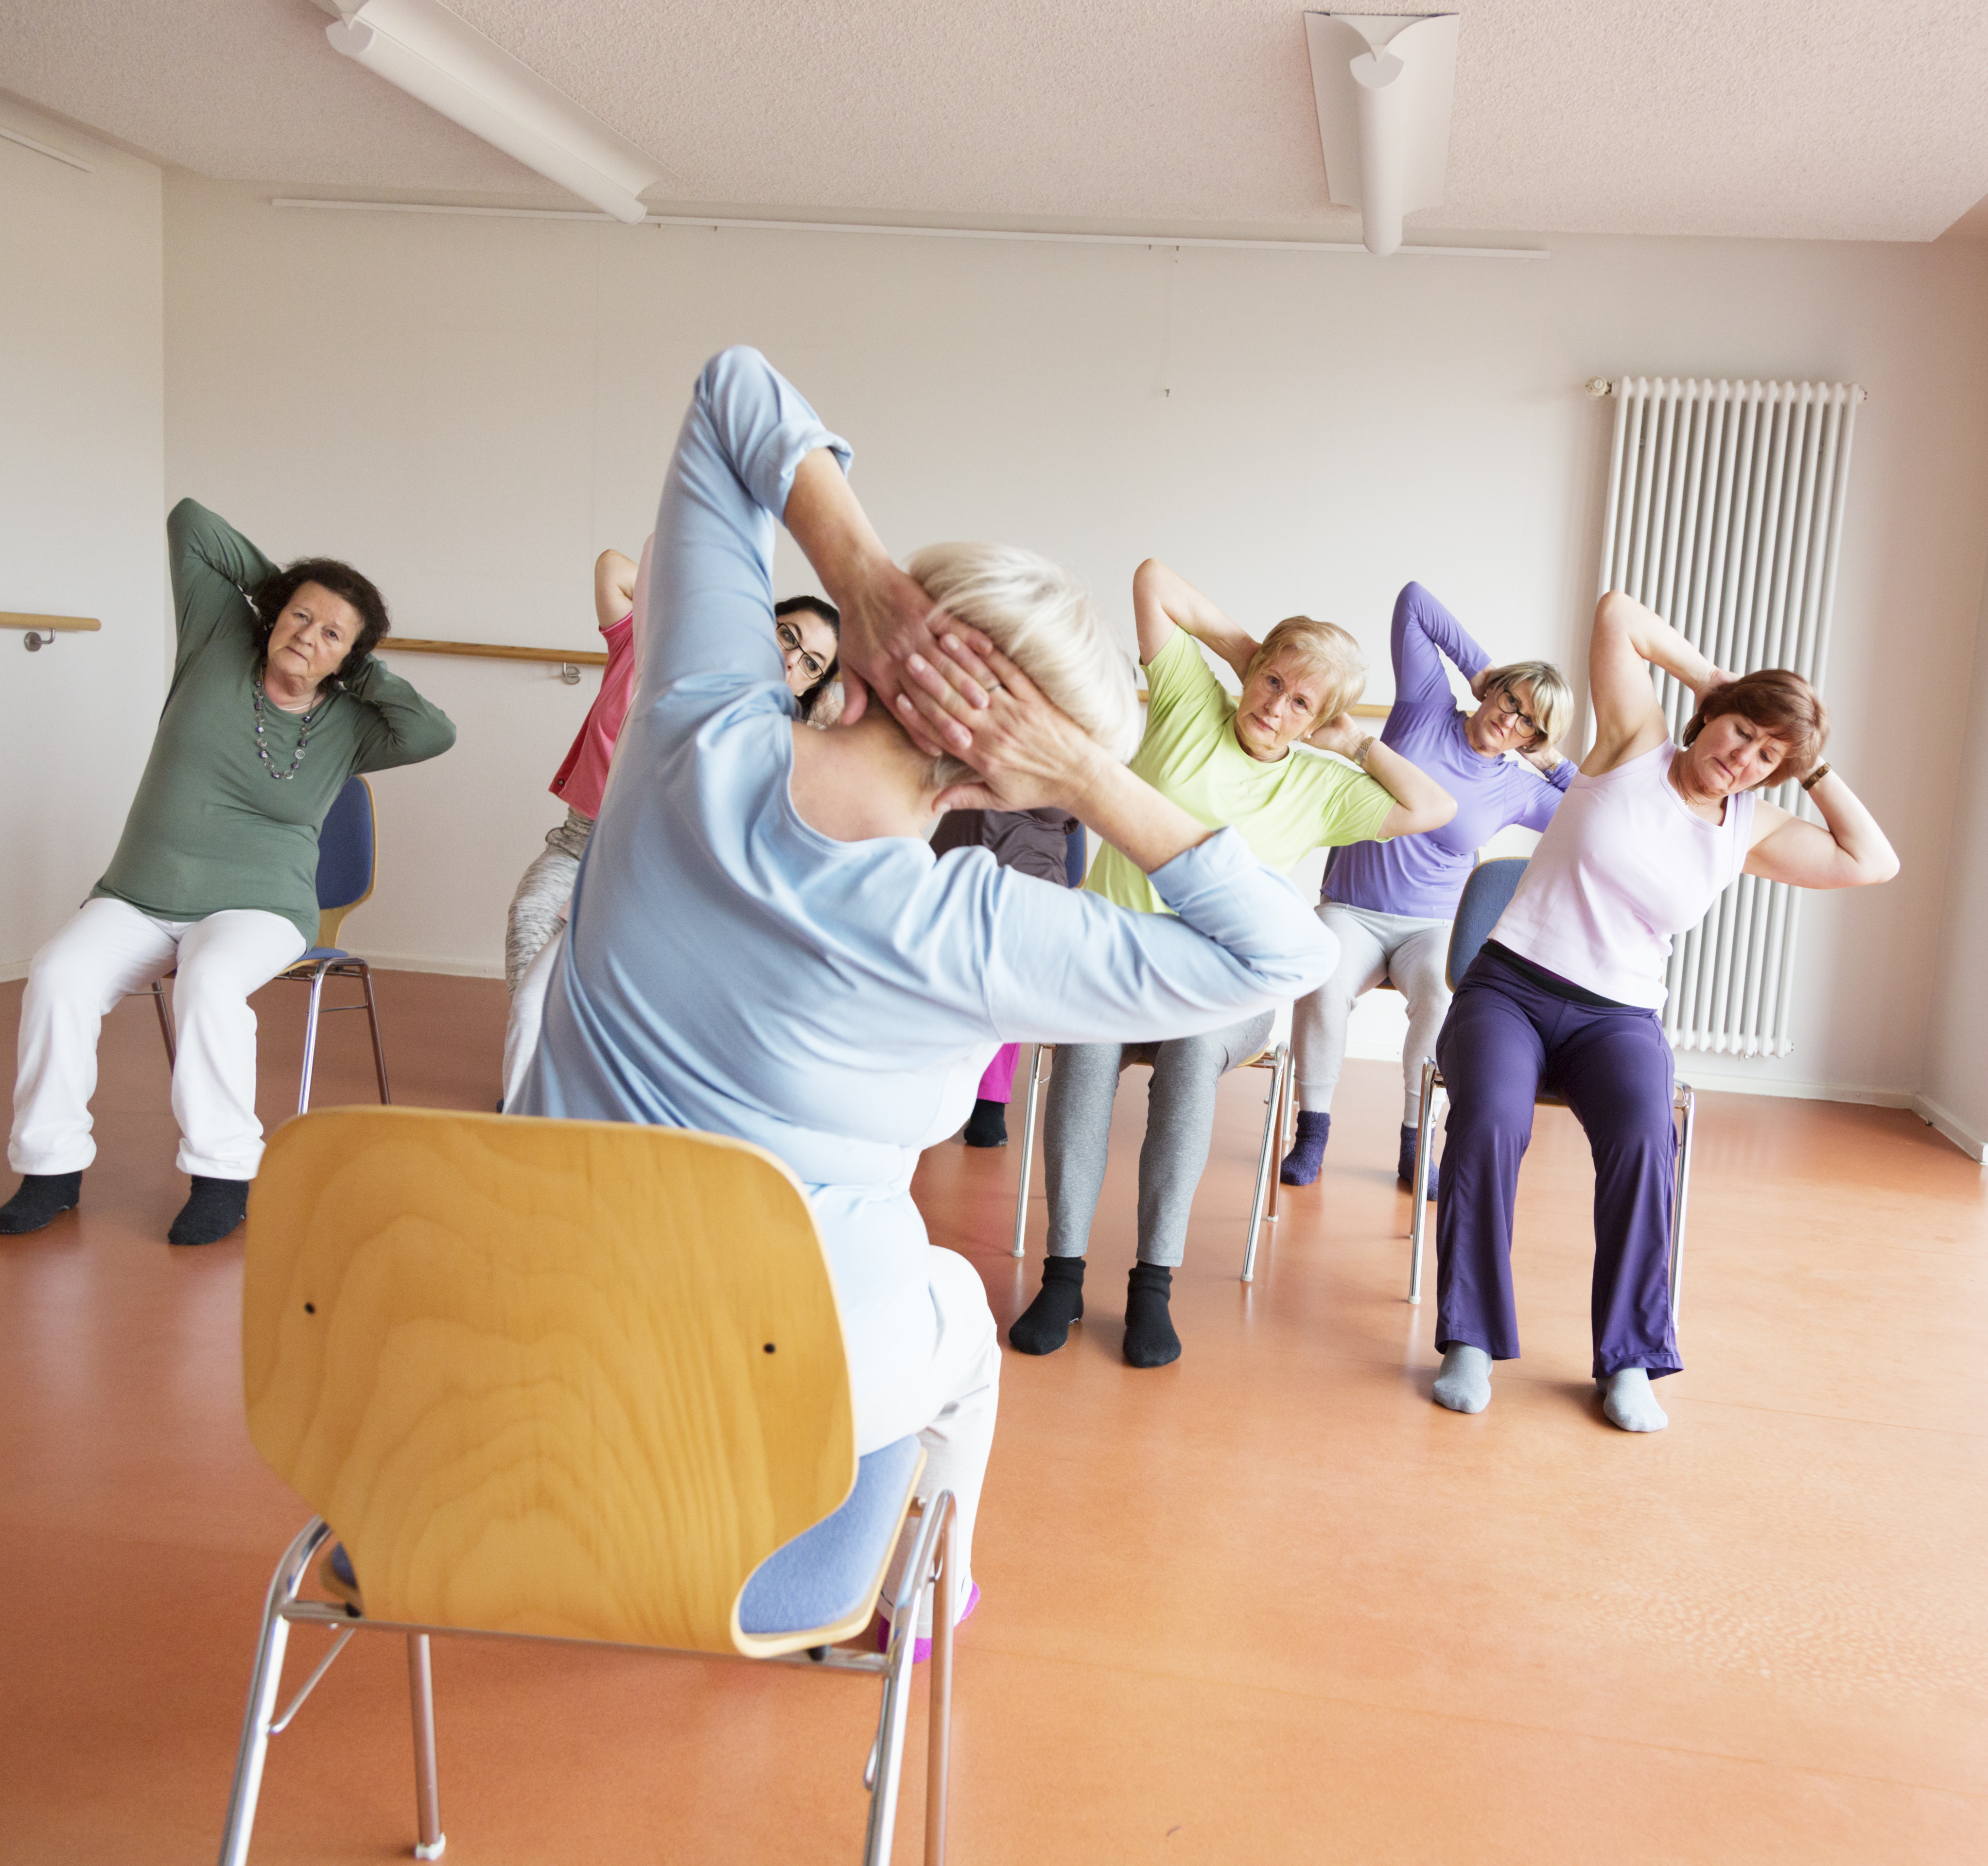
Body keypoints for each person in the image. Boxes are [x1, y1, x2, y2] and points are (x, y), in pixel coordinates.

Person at [514, 346, 1333, 1641]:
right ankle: (924, 1610)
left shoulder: (692, 730)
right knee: (954, 1311)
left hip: (507, 1406)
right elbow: (1286, 958)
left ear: (882, 644)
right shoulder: (979, 931)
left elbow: (734, 390)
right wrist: (1087, 779)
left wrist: (861, 581)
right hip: (739, 1452)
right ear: (1013, 774)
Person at [1428, 589, 1898, 1431]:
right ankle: (1470, 1339)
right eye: (1741, 733)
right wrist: (1719, 682)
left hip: (1619, 1019)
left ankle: (1630, 1360)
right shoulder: (1635, 741)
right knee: (1491, 1119)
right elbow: (1618, 615)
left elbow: (1874, 861)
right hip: (1511, 988)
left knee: (1648, 1139)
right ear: (1712, 718)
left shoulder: (1749, 827)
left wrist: (1815, 764)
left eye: (1768, 756)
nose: (1745, 758)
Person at [1011, 559, 1456, 1370]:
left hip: (1223, 985)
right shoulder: (1191, 701)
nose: (1275, 707)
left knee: (1188, 1058)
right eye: (1271, 683)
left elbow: (1434, 810)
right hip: (1114, 965)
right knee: (1085, 1055)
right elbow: (1150, 579)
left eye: (1301, 702)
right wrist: (1252, 655)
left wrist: (1356, 740)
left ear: (1321, 720)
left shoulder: (1325, 787)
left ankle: (1153, 1287)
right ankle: (1063, 1276)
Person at [0, 501, 456, 1246]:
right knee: (58, 975)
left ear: (351, 660)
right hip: (141, 896)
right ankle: (50, 1169)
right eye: (299, 618)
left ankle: (223, 1176)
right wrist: (289, 596)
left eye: (332, 634)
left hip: (259, 907)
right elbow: (190, 525)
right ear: (273, 615)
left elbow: (436, 731)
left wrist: (353, 656)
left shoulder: (352, 725)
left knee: (209, 982)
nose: (307, 636)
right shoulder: (216, 641)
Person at [496, 545, 837, 1099]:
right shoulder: (660, 646)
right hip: (579, 843)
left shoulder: (773, 732)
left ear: (811, 686)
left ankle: (586, 1084)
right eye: (788, 635)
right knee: (532, 924)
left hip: (660, 872)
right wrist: (716, 613)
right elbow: (612, 566)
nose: (792, 659)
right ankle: (540, 1080)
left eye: (812, 665)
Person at [1281, 581, 1575, 1194]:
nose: (1508, 718)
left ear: (1534, 738)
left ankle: (1416, 1146)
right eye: (1509, 699)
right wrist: (1480, 668)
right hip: (1352, 911)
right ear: (1491, 691)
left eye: (1528, 722)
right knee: (1322, 981)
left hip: (1432, 927)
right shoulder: (1424, 706)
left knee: (1443, 1001)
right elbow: (1415, 602)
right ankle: (1312, 1131)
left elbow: (1596, 808)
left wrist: (1553, 764)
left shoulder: (1520, 788)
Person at [927, 806, 1082, 1147]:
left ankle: (986, 1099)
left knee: (1004, 962)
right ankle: (972, 1094)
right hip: (974, 864)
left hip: (1006, 875)